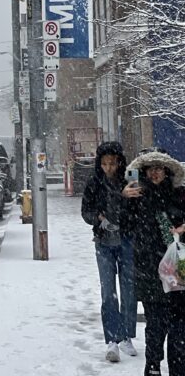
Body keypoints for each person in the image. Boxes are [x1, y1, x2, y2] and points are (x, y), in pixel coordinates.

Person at [122, 150, 185, 376]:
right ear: (144, 172)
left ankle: (178, 368)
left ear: (167, 171)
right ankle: (153, 366)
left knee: (179, 327)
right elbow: (124, 226)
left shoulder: (179, 195)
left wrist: (182, 228)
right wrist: (123, 199)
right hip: (148, 270)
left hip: (177, 271)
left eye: (159, 168)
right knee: (156, 326)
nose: (155, 173)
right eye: (150, 169)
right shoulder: (136, 196)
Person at [82, 141, 137, 362]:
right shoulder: (94, 183)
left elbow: (133, 211)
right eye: (104, 163)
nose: (109, 168)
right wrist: (98, 218)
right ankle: (112, 339)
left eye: (113, 163)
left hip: (127, 240)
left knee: (129, 290)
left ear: (119, 162)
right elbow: (86, 211)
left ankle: (126, 336)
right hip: (104, 242)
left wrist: (122, 199)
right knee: (108, 292)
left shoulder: (130, 181)